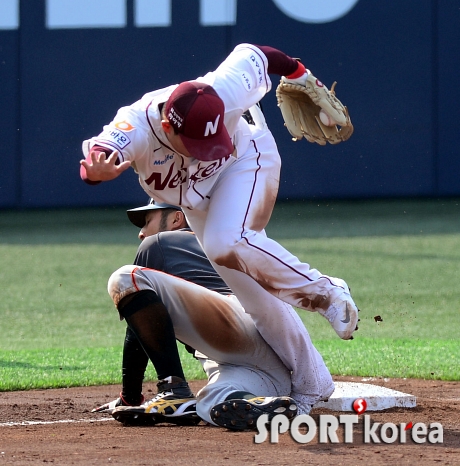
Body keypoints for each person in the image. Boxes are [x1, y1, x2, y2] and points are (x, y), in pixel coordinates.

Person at [80, 44, 359, 413]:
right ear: (166, 126)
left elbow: (262, 54)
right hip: (197, 199)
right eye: (196, 142)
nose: (203, 148)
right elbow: (98, 157)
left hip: (245, 162)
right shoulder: (135, 125)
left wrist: (303, 77)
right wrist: (96, 172)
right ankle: (312, 384)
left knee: (229, 241)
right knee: (254, 295)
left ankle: (326, 291)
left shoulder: (224, 86)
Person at [94, 199, 308, 430]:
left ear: (177, 218)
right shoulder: (227, 242)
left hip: (234, 321)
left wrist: (130, 397)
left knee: (127, 279)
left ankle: (173, 390)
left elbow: (138, 330)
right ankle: (262, 404)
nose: (142, 233)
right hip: (274, 364)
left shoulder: (159, 242)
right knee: (209, 402)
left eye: (147, 221)